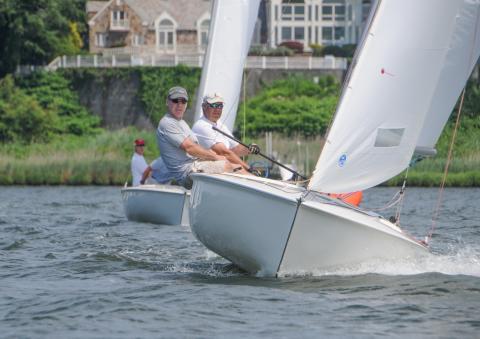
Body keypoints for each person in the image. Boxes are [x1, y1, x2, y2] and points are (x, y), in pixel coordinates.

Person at [156, 86, 248, 188]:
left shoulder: (181, 123)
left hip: (195, 166)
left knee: (237, 167)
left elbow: (196, 148)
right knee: (228, 166)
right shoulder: (167, 123)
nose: (179, 105)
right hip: (187, 173)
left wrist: (214, 155)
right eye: (175, 100)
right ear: (167, 102)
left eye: (183, 101)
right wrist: (216, 157)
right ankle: (255, 188)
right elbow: (190, 148)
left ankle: (256, 185)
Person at [192, 93, 260, 172]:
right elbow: (224, 153)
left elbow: (235, 148)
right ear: (204, 107)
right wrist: (248, 168)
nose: (217, 109)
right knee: (238, 168)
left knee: (237, 168)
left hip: (219, 169)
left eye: (220, 106)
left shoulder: (221, 125)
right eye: (213, 105)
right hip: (201, 169)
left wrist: (249, 148)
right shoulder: (202, 126)